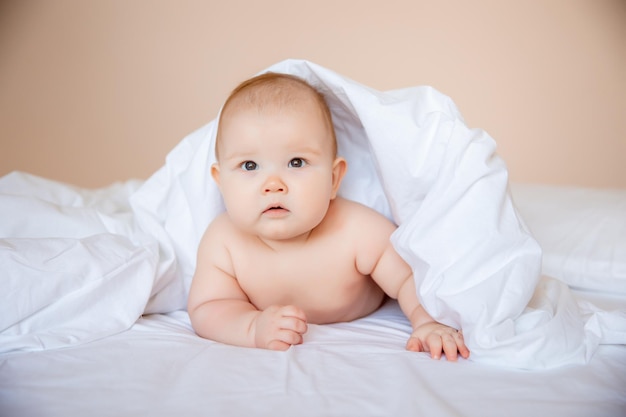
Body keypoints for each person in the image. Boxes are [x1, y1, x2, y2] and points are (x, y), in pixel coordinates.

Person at [187, 72, 470, 361]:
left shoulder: (356, 230)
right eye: (249, 165)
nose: (273, 184)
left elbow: (409, 278)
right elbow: (209, 306)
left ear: (334, 179)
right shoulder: (223, 241)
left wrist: (428, 321)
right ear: (220, 182)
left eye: (296, 162)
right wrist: (251, 327)